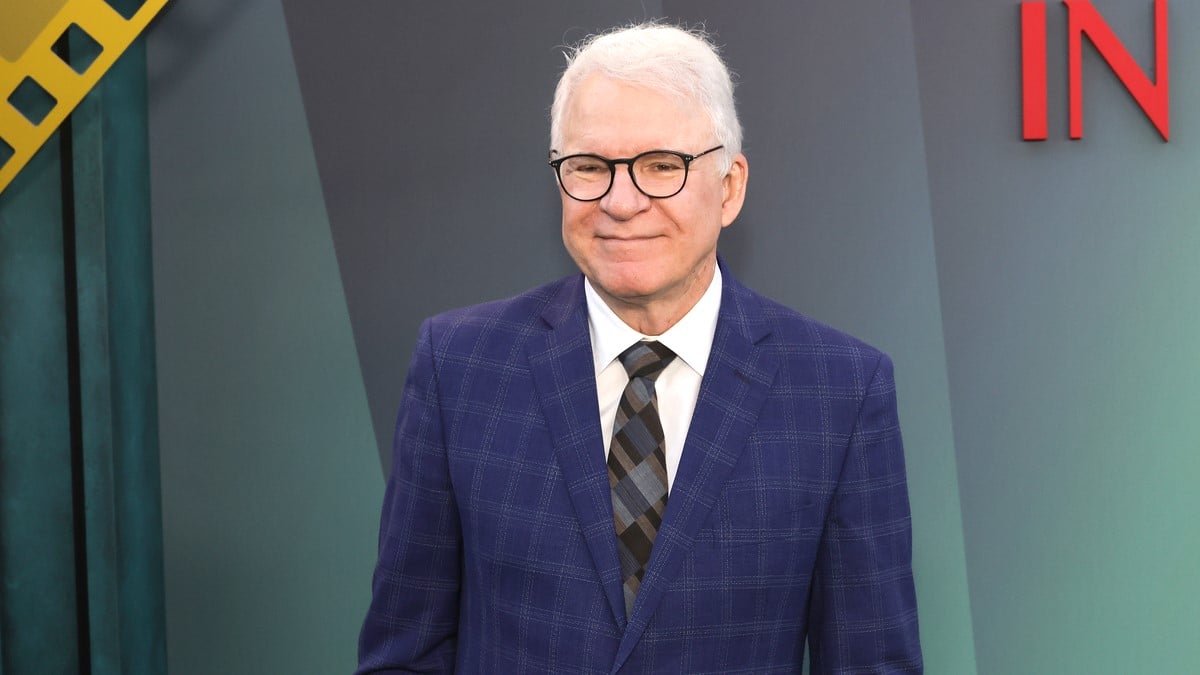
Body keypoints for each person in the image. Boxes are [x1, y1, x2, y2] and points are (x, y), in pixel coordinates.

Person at [357, 22, 922, 674]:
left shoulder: (841, 392)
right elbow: (404, 654)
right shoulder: (457, 367)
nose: (621, 202)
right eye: (590, 167)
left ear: (730, 187)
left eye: (662, 166)